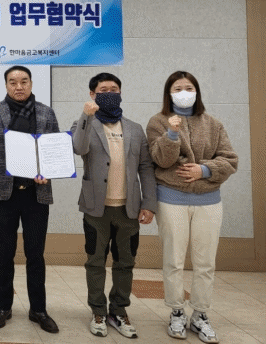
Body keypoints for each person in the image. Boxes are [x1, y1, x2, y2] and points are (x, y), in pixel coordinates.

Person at [146, 71, 237, 344]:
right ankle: (176, 311)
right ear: (169, 93)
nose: (184, 92)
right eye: (177, 88)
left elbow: (230, 159)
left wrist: (204, 169)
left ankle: (200, 314)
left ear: (197, 91)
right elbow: (161, 161)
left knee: (205, 262)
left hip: (208, 201)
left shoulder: (213, 124)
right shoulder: (157, 122)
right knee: (173, 259)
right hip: (171, 198)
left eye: (189, 87)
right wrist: (172, 134)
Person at [70, 72, 157, 338]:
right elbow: (78, 148)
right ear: (92, 94)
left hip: (128, 209)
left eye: (114, 89)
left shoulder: (134, 128)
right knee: (95, 262)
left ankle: (118, 311)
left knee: (125, 262)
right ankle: (98, 310)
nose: (110, 93)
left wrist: (149, 203)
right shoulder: (83, 123)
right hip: (96, 208)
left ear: (120, 93)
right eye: (103, 90)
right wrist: (86, 116)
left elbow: (145, 167)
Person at [0, 66, 60, 333]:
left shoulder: (46, 112)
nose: (19, 86)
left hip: (37, 193)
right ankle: (3, 307)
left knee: (35, 254)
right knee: (5, 253)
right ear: (6, 86)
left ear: (31, 83)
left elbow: (54, 149)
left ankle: (39, 310)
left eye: (24, 81)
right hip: (5, 193)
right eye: (13, 82)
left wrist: (48, 172)